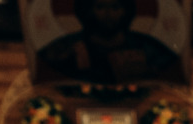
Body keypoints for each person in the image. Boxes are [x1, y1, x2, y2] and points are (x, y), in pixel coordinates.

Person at [36, 0, 179, 85]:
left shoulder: (147, 47)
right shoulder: (66, 46)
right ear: (88, 10)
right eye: (100, 7)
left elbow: (171, 70)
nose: (108, 14)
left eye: (115, 7)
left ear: (126, 11)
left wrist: (144, 72)